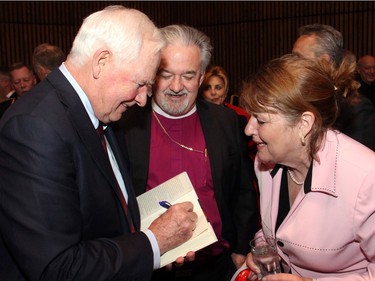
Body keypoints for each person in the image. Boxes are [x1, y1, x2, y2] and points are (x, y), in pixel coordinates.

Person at [0, 6, 198, 281]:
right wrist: (154, 242)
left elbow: (108, 216)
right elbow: (58, 268)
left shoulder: (103, 113)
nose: (143, 99)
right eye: (141, 84)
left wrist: (153, 239)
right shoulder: (34, 128)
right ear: (101, 62)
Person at [119, 25, 259, 281]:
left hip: (216, 267)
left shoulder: (225, 121)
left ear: (202, 76)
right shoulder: (125, 125)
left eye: (187, 75)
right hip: (151, 271)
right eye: (166, 74)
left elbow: (242, 190)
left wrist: (241, 248)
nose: (176, 86)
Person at [239, 53, 375, 281]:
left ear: (304, 124)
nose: (248, 129)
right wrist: (264, 250)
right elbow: (278, 228)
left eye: (260, 120)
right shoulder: (266, 162)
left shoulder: (366, 179)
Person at [292, 23, 375, 151]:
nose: (292, 64)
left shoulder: (355, 108)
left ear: (324, 61)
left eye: (298, 57)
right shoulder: (297, 97)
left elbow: (359, 163)